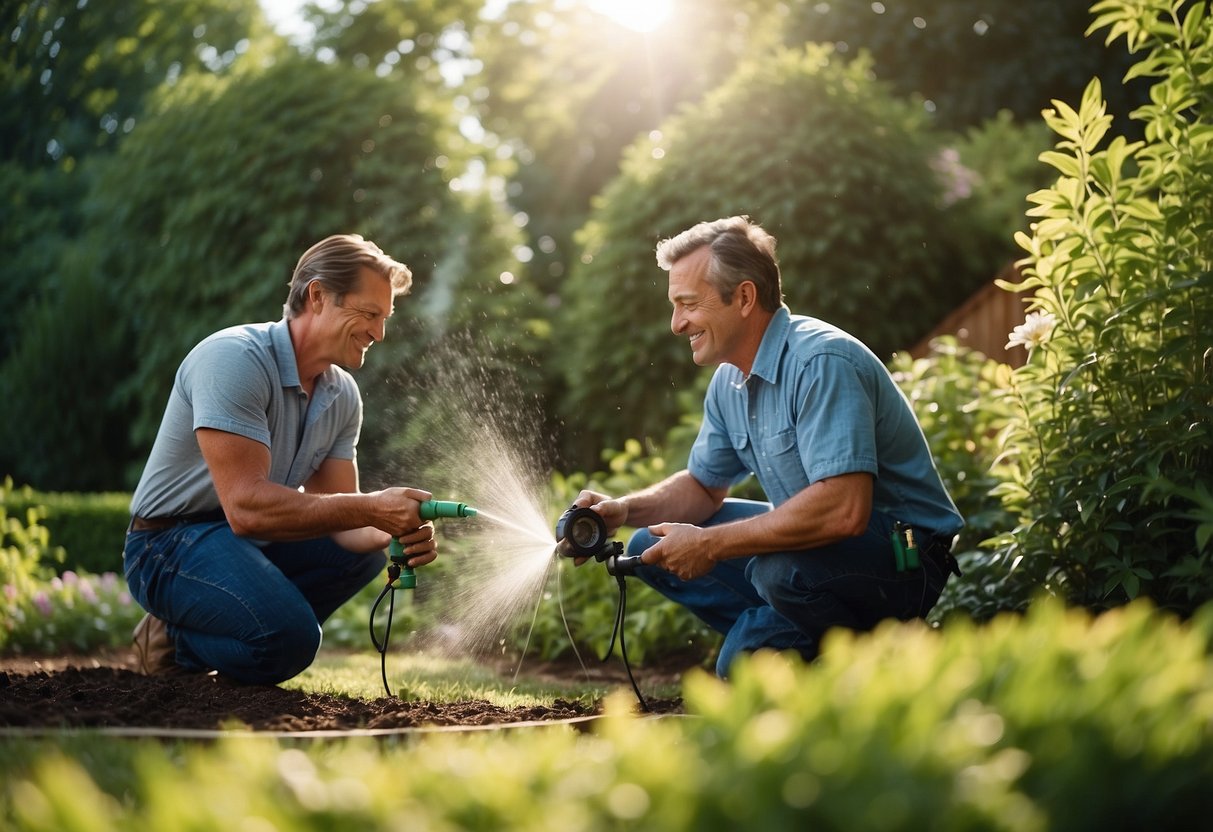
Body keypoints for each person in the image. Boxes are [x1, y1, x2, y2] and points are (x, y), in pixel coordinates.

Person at [571, 216, 963, 678]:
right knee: (648, 544)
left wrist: (711, 546)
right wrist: (621, 508)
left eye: (688, 304)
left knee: (776, 581)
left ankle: (868, 664)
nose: (676, 324)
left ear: (743, 297)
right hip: (822, 558)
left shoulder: (820, 361)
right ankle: (787, 638)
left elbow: (844, 510)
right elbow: (702, 486)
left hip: (904, 557)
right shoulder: (728, 381)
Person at [124, 234, 438, 685]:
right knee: (290, 641)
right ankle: (175, 638)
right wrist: (373, 507)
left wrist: (397, 527)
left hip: (243, 542)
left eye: (384, 318)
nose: (379, 333)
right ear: (317, 296)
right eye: (369, 314)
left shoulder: (341, 395)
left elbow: (342, 517)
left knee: (364, 556)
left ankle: (249, 632)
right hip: (168, 543)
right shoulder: (235, 359)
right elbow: (247, 509)